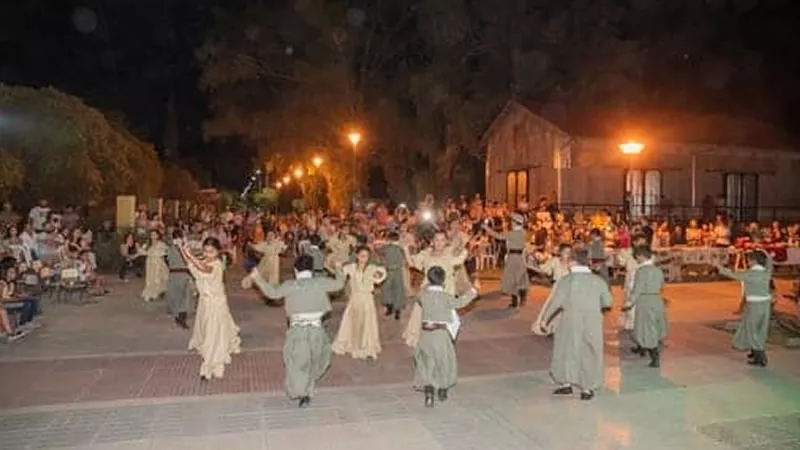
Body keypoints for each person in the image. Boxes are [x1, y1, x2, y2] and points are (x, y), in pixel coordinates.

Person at [242, 254, 345, 408]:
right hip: (317, 330)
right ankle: (305, 392)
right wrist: (338, 268)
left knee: (298, 362)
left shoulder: (290, 285)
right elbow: (339, 284)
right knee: (313, 360)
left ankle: (302, 391)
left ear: (296, 270)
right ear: (311, 269)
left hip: (298, 331)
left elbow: (272, 293)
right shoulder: (320, 282)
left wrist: (258, 278)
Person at [541, 248, 612, 400]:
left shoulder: (566, 281)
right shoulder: (598, 281)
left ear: (572, 262)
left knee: (566, 350)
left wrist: (544, 320)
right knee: (589, 352)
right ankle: (587, 388)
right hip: (592, 321)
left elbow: (556, 303)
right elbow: (608, 302)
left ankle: (566, 383)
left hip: (570, 321)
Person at [415, 266, 478, 407]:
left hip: (425, 334)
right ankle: (442, 390)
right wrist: (472, 291)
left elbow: (420, 295)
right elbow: (461, 303)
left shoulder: (423, 295)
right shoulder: (446, 297)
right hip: (441, 334)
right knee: (444, 361)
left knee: (427, 362)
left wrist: (427, 284)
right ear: (443, 280)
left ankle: (429, 392)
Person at [180, 237, 241, 380]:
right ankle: (211, 352)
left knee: (213, 335)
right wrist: (183, 250)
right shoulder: (204, 260)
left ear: (218, 252)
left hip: (215, 303)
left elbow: (204, 269)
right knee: (205, 330)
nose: (208, 254)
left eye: (211, 252)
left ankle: (209, 365)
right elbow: (191, 264)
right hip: (204, 303)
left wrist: (190, 255)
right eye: (206, 251)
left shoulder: (217, 263)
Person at [402, 231, 467, 347]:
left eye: (442, 240)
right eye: (437, 240)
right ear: (432, 242)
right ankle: (421, 338)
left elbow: (461, 256)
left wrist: (463, 245)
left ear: (446, 242)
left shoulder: (450, 252)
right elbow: (412, 263)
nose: (439, 243)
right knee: (422, 313)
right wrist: (406, 249)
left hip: (445, 288)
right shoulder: (426, 253)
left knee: (443, 318)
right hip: (428, 288)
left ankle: (443, 342)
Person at [715, 249, 773, 367]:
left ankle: (760, 356)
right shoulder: (767, 272)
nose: (748, 262)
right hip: (766, 305)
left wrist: (718, 266)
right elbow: (770, 262)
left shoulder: (749, 274)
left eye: (749, 260)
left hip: (754, 305)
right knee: (760, 328)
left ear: (753, 261)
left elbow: (732, 274)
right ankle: (754, 351)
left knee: (751, 328)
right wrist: (765, 252)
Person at [331, 246, 387, 360]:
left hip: (367, 299)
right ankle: (352, 343)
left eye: (366, 256)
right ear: (357, 256)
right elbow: (340, 274)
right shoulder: (351, 267)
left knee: (366, 322)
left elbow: (380, 276)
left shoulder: (372, 268)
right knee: (353, 320)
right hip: (355, 299)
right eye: (361, 256)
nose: (363, 258)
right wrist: (337, 266)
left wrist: (377, 274)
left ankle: (365, 345)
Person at [623, 246, 668, 368]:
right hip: (656, 299)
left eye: (637, 257)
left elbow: (637, 289)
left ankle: (654, 356)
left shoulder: (641, 271)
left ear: (641, 256)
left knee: (646, 329)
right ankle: (651, 351)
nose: (636, 259)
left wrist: (628, 303)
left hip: (645, 301)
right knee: (655, 327)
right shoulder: (658, 270)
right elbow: (662, 285)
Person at [483, 213, 529, 308]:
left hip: (513, 257)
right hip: (520, 257)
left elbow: (498, 236)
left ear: (516, 223)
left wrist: (487, 228)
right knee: (520, 278)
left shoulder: (513, 233)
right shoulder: (523, 232)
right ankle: (521, 298)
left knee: (511, 278)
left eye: (512, 221)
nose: (511, 223)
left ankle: (515, 300)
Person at [531, 243, 572, 335]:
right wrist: (537, 264)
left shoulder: (572, 263)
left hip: (569, 287)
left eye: (569, 253)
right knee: (552, 306)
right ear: (560, 253)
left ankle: (561, 328)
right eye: (565, 252)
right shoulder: (555, 261)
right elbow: (546, 270)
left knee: (566, 309)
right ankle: (545, 325)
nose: (567, 255)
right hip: (557, 286)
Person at [166, 230, 195, 330]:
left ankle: (182, 317)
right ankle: (178, 316)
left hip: (183, 274)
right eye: (176, 238)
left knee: (185, 297)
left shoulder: (185, 249)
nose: (178, 240)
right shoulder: (171, 249)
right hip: (175, 274)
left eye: (180, 238)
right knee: (176, 296)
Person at [376, 231, 407, 319]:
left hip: (391, 270)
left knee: (390, 290)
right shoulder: (399, 247)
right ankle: (394, 309)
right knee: (395, 290)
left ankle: (392, 309)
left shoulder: (388, 247)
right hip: (394, 271)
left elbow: (378, 251)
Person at [141, 230, 168, 302]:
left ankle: (155, 294)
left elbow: (165, 252)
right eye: (151, 235)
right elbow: (143, 251)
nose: (153, 236)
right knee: (150, 279)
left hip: (157, 264)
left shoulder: (161, 244)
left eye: (154, 234)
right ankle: (151, 293)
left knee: (157, 279)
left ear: (158, 235)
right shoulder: (147, 244)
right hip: (150, 263)